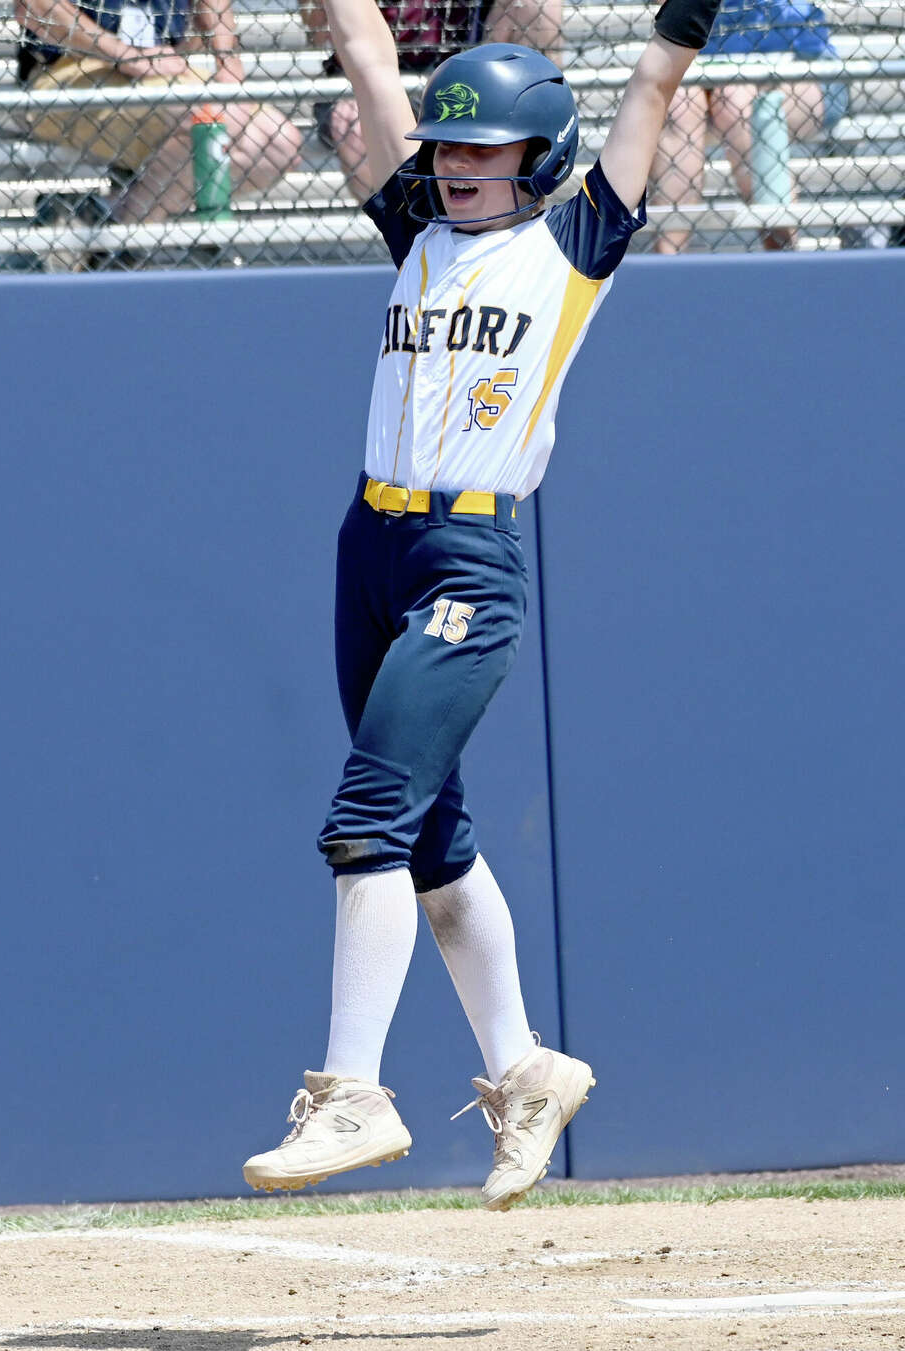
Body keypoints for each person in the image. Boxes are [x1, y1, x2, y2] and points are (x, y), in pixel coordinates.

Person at [242, 0, 726, 1209]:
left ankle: (352, 1090)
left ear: (537, 160)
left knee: (368, 820)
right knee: (436, 850)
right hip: (372, 546)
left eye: (484, 149)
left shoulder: (569, 250)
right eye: (448, 145)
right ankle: (523, 1072)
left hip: (467, 556)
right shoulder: (417, 224)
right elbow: (362, 52)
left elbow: (652, 93)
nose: (456, 166)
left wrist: (681, 25)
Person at [15, 0, 301, 222]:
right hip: (71, 67)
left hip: (164, 64)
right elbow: (33, 8)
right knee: (211, 117)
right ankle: (129, 242)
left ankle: (117, 221)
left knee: (279, 146)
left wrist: (227, 61)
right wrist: (123, 53)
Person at [305, 0, 563, 203]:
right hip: (385, 84)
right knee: (353, 120)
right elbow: (321, 35)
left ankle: (539, 161)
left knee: (539, 3)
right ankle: (395, 221)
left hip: (465, 83)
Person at [650, 0, 837, 251]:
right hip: (697, 66)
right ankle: (667, 265)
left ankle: (783, 251)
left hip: (794, 63)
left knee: (735, 99)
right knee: (680, 103)